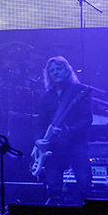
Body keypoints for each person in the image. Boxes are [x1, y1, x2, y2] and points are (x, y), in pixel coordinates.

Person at [32, 56, 92, 205]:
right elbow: (41, 123)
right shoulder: (47, 96)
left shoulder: (80, 91)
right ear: (48, 74)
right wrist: (38, 139)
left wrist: (70, 130)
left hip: (77, 145)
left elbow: (87, 119)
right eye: (52, 70)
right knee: (54, 187)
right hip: (54, 147)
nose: (56, 72)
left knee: (84, 184)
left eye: (59, 68)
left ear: (66, 70)